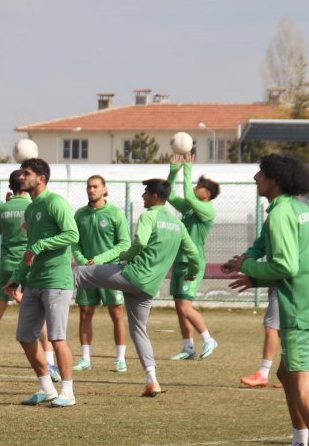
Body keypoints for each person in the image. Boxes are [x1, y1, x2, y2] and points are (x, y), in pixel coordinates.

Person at [224, 154, 309, 446]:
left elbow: (286, 266)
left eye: (260, 173)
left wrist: (248, 268)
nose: (255, 178)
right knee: (287, 373)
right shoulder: (299, 210)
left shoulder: (280, 215)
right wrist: (250, 262)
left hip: (300, 310)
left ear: (274, 179)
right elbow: (271, 249)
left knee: (302, 386)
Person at [68, 179, 202, 397]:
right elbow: (194, 254)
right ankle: (152, 380)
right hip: (149, 288)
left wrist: (124, 256)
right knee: (138, 331)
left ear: (155, 196)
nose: (142, 197)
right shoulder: (178, 225)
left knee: (78, 273)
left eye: (145, 193)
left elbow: (139, 241)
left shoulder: (148, 216)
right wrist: (193, 272)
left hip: (131, 275)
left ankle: (43, 306)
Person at [3, 158, 79, 407]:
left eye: (26, 173)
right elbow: (29, 248)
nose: (21, 177)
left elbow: (72, 234)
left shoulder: (55, 203)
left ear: (41, 178)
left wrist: (41, 245)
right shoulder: (30, 208)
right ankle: (47, 387)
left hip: (56, 282)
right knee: (25, 336)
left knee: (57, 339)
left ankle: (68, 392)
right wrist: (16, 278)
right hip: (33, 282)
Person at [0, 172, 60, 381]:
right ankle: (50, 363)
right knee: (40, 316)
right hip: (30, 265)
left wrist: (6, 205)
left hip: (7, 266)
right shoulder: (32, 206)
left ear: (10, 187)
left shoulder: (3, 208)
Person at [71, 174, 131, 374]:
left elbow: (124, 243)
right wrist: (81, 261)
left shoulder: (115, 213)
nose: (91, 190)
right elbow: (74, 242)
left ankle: (120, 359)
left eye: (95, 186)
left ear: (104, 189)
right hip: (87, 273)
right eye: (88, 186)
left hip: (110, 270)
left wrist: (99, 260)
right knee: (85, 313)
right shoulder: (80, 215)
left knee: (117, 313)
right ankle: (85, 359)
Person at [166, 152, 220, 360]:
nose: (195, 188)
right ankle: (188, 348)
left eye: (199, 186)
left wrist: (188, 168)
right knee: (180, 308)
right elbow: (169, 195)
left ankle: (208, 339)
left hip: (192, 264)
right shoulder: (190, 208)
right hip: (179, 261)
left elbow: (188, 195)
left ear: (206, 193)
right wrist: (173, 171)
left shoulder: (207, 210)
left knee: (185, 307)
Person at [240, 290, 282, 389]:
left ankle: (263, 373)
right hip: (284, 285)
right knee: (283, 328)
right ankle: (292, 377)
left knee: (272, 326)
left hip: (283, 286)